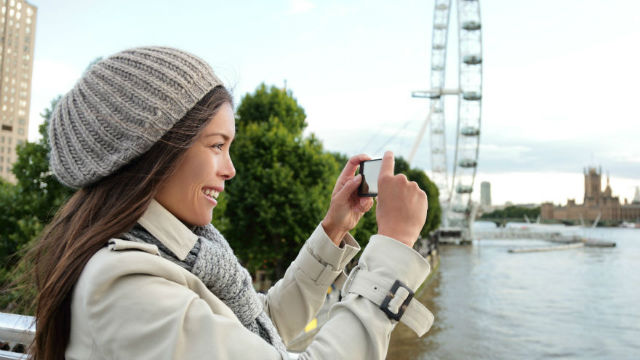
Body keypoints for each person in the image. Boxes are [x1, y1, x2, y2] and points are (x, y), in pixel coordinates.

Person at [31, 47, 433, 360]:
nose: (231, 169)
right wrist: (393, 246)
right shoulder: (127, 286)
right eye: (217, 146)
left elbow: (262, 323)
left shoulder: (172, 252)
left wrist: (334, 228)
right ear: (153, 153)